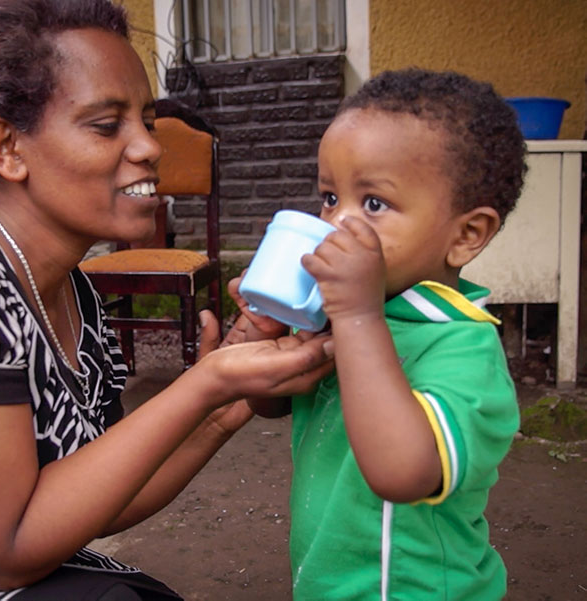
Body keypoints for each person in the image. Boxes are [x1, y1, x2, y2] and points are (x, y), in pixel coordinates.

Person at [0, 1, 335, 599]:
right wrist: (205, 385)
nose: (149, 147)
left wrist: (226, 405)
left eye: (147, 121)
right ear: (7, 148)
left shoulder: (75, 294)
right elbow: (9, 549)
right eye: (107, 125)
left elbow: (93, 504)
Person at [228, 68, 527, 600]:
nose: (336, 224)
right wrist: (255, 339)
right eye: (328, 197)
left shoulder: (462, 347)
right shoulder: (342, 314)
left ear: (466, 235)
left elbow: (403, 473)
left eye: (372, 204)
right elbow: (272, 405)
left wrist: (358, 319)